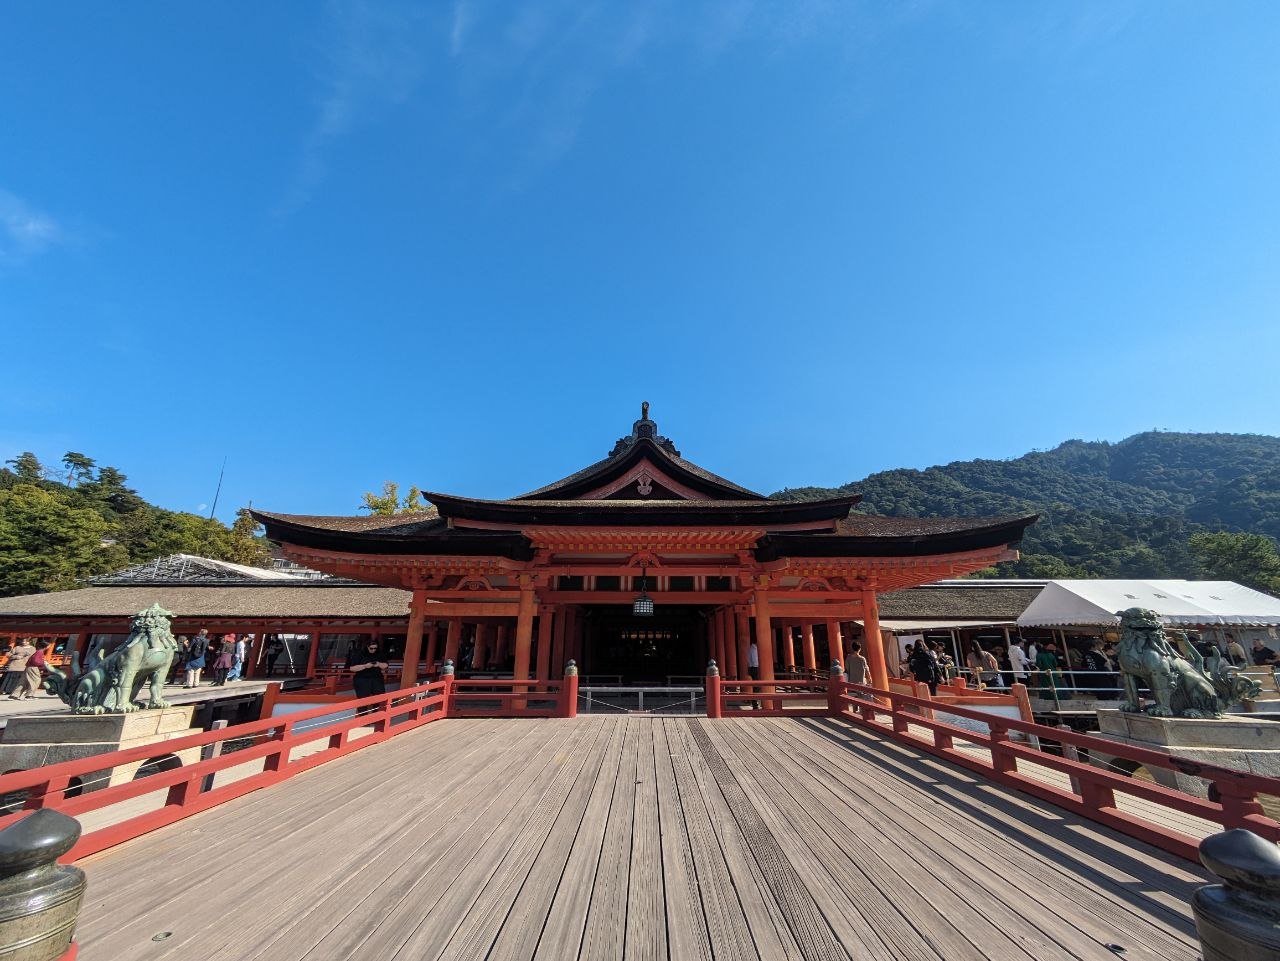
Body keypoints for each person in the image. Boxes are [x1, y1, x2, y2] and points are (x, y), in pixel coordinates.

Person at [347, 639, 388, 714]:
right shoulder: (359, 654)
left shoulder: (380, 654)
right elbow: (352, 668)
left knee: (379, 697)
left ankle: (376, 715)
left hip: (376, 679)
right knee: (363, 699)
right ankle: (363, 717)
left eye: (375, 648)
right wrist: (365, 666)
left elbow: (386, 665)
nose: (373, 650)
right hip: (362, 679)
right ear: (367, 647)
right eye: (371, 648)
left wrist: (378, 664)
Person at [746, 640, 761, 710]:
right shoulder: (754, 649)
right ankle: (755, 703)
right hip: (754, 668)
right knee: (756, 687)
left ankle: (755, 703)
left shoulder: (751, 648)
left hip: (752, 668)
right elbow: (755, 662)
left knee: (756, 687)